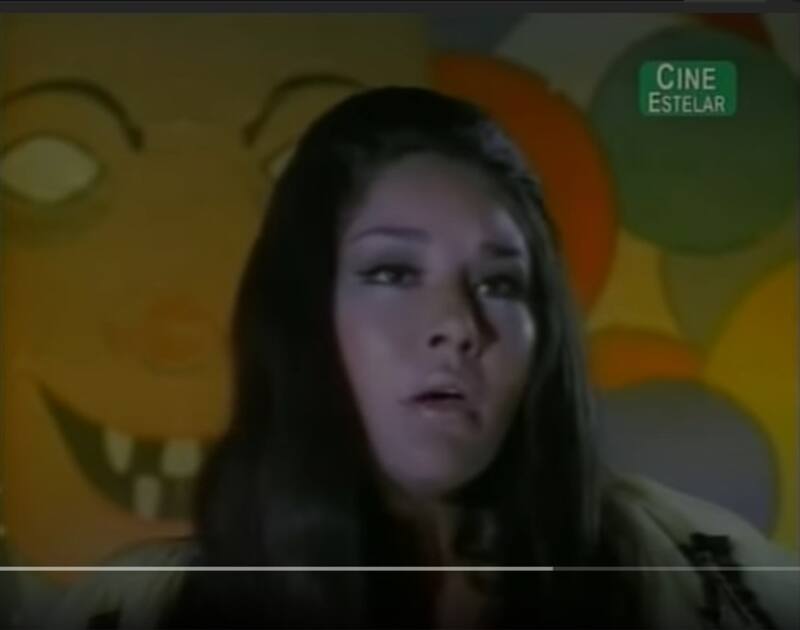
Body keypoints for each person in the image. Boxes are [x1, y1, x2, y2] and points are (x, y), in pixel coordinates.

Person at [51, 87, 798, 629]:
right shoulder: (141, 610)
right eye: (393, 273)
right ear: (305, 313)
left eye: (500, 284)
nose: (457, 326)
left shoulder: (697, 576)